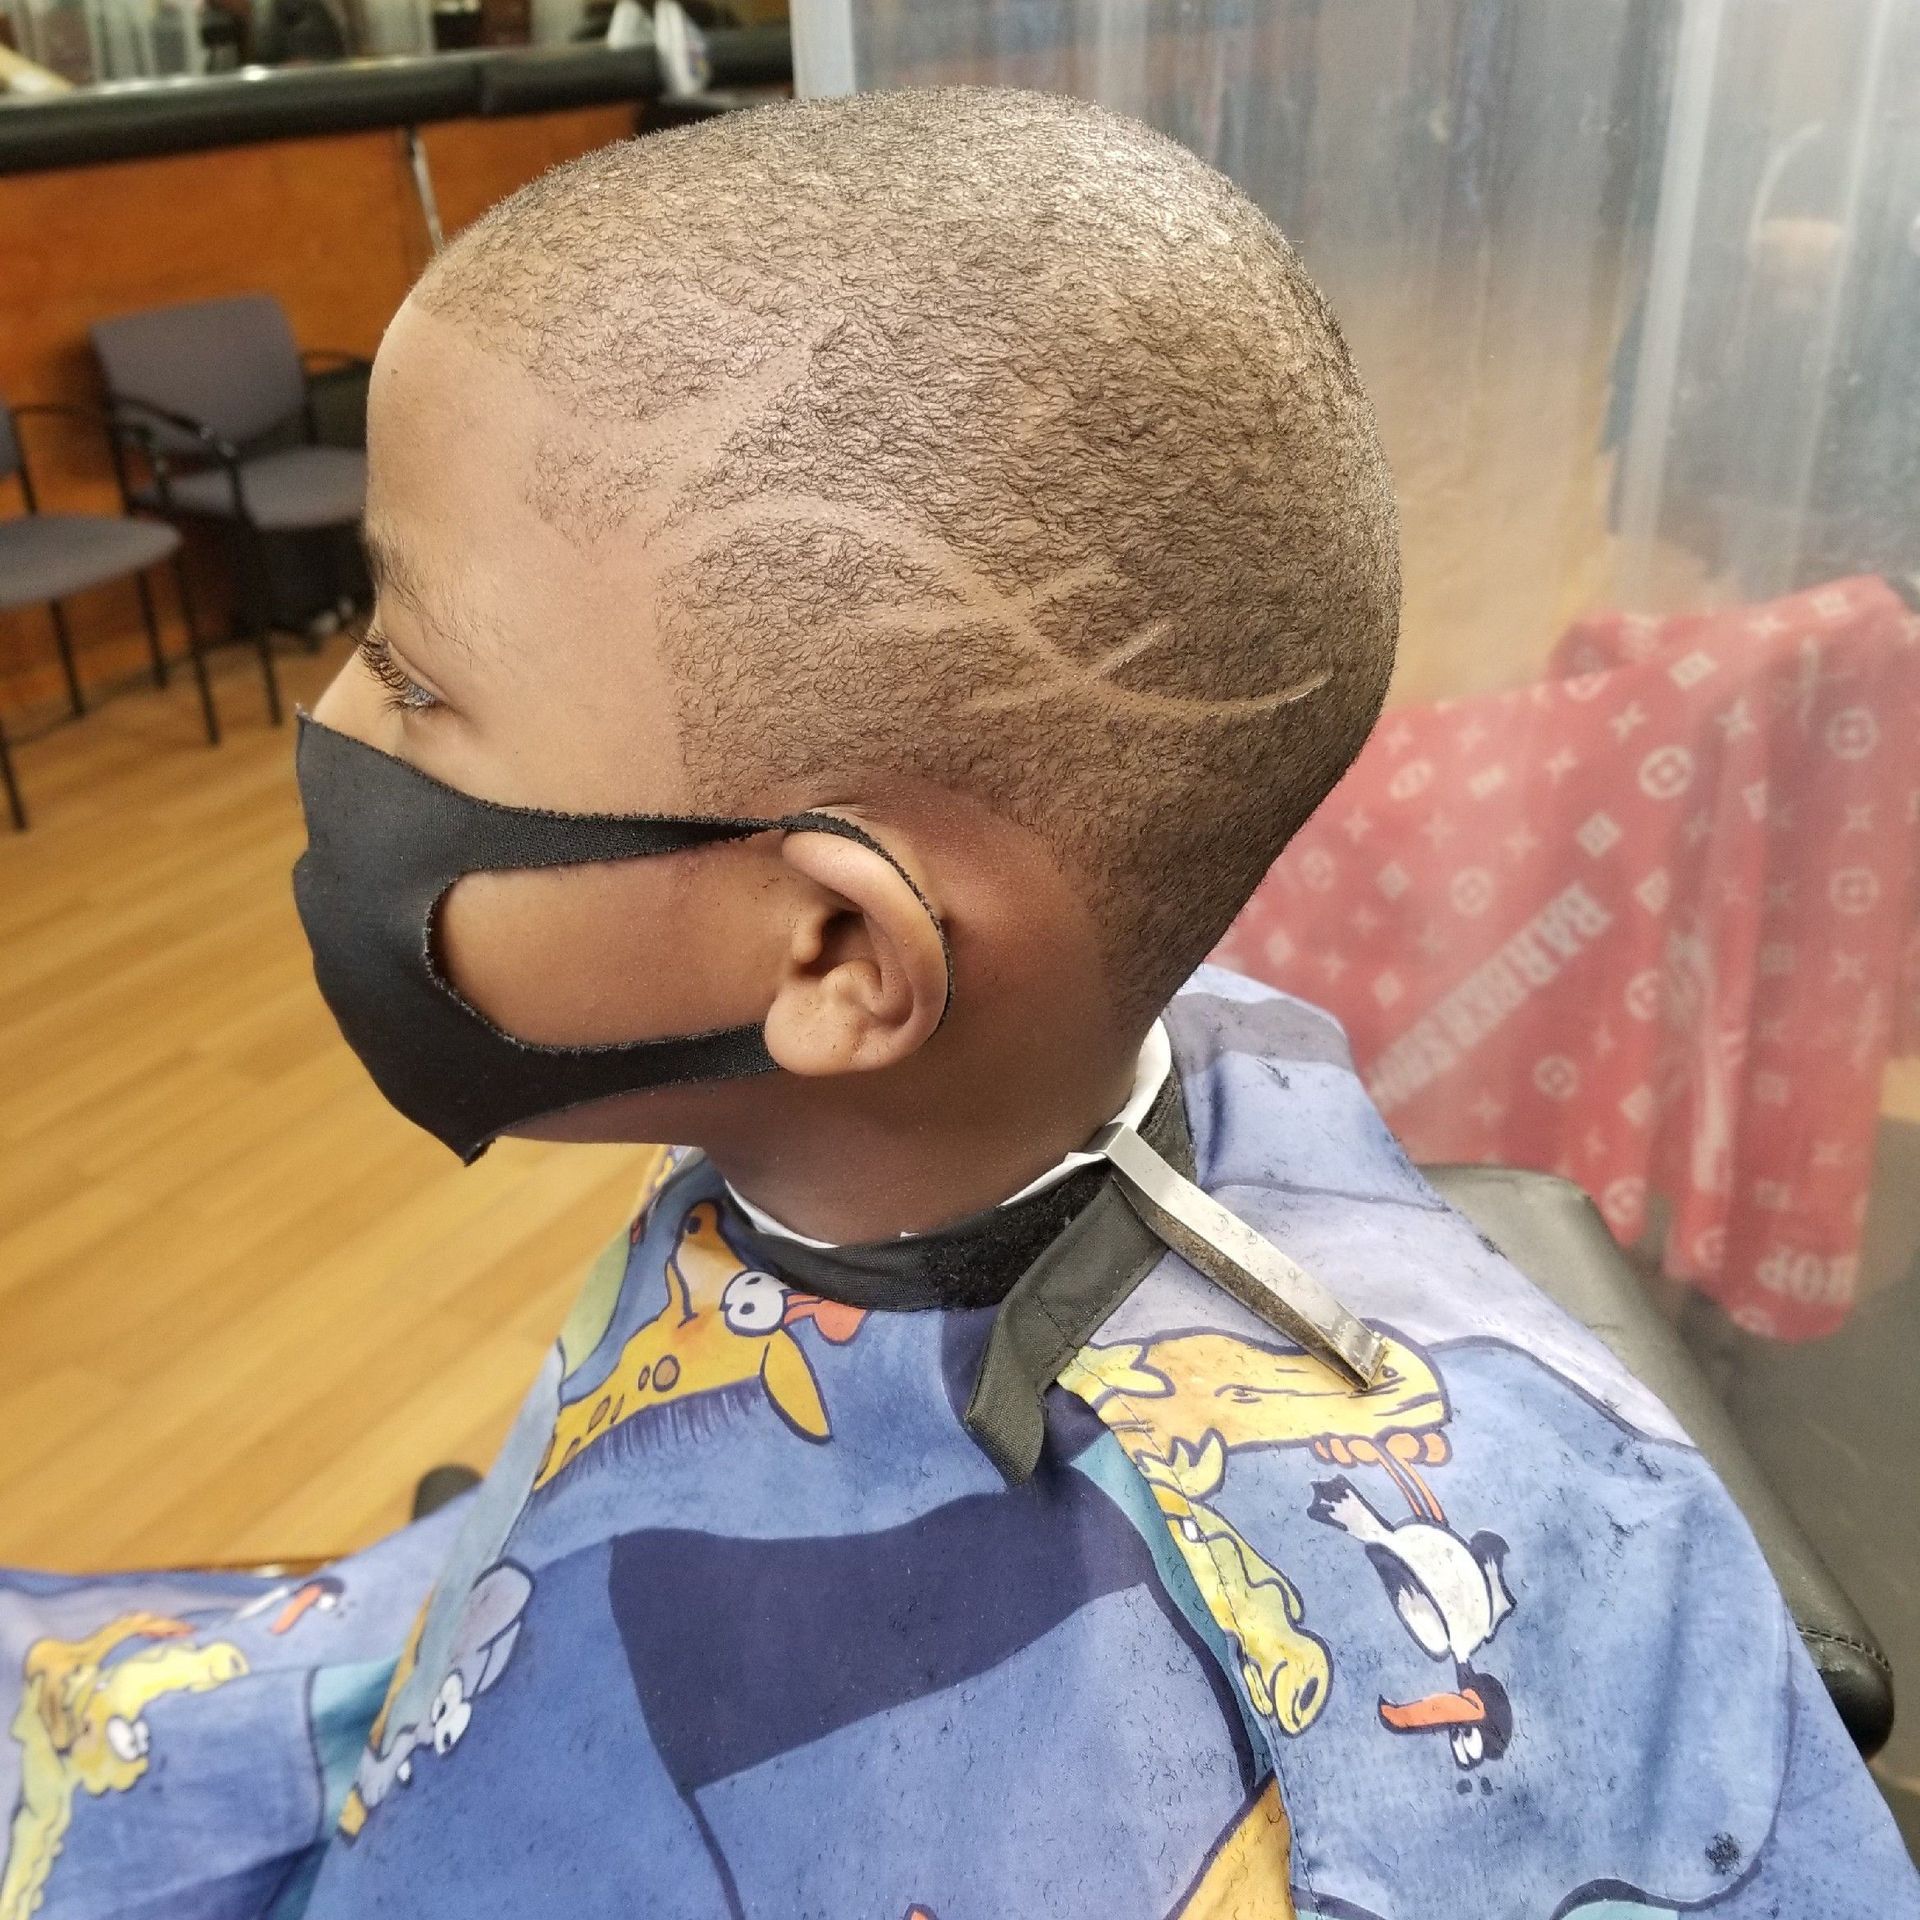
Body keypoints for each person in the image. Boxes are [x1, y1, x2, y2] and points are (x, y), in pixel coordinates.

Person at [3, 88, 1915, 1920]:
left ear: (840, 958)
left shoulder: (1268, 1806)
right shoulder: (1174, 1048)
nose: (333, 732)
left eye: (415, 679)